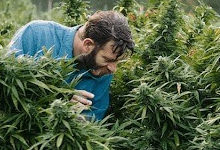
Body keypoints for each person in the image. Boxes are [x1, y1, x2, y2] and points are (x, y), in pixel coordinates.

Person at [7, 10, 135, 121]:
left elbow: (92, 124)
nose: (113, 69)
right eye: (108, 60)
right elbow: (4, 87)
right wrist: (57, 98)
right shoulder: (36, 35)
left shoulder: (102, 71)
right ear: (88, 45)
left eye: (116, 61)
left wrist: (74, 121)